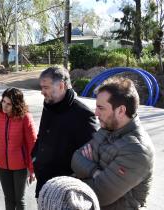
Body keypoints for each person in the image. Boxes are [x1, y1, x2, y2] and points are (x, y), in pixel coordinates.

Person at [71, 77, 155, 210]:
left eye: (101, 108)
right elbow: (76, 158)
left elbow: (100, 194)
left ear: (121, 111)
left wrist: (76, 180)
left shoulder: (137, 149)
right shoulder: (107, 128)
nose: (96, 113)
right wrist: (95, 171)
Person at [32, 66, 97, 198]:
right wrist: (34, 157)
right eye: (41, 87)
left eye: (46, 87)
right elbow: (42, 136)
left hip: (65, 191)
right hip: (43, 183)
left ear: (61, 86)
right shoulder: (49, 105)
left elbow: (91, 157)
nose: (42, 92)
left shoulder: (83, 114)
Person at [0, 87, 37, 210]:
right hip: (2, 165)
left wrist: (32, 169)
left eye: (9, 104)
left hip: (20, 166)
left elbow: (33, 144)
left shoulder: (25, 117)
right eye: (3, 101)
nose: (5, 106)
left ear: (17, 104)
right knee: (8, 199)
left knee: (19, 200)